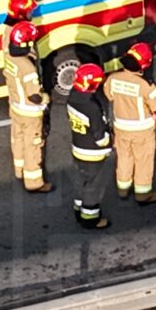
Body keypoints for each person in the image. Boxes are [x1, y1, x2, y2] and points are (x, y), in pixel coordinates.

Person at [104, 42, 156, 204]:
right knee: (143, 160)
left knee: (124, 157)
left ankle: (123, 189)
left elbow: (109, 96)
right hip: (142, 131)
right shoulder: (145, 85)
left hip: (121, 128)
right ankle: (143, 194)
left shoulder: (113, 79)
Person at [3, 21, 53, 192]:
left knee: (18, 138)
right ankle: (34, 182)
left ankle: (19, 169)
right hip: (30, 112)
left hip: (16, 106)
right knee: (33, 145)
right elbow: (35, 96)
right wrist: (47, 98)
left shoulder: (10, 57)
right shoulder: (28, 67)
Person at [67, 64, 113, 229]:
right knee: (94, 185)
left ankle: (78, 207)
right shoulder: (91, 107)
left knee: (81, 179)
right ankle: (90, 217)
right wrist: (110, 139)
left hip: (78, 147)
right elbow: (99, 136)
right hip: (93, 152)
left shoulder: (72, 96)